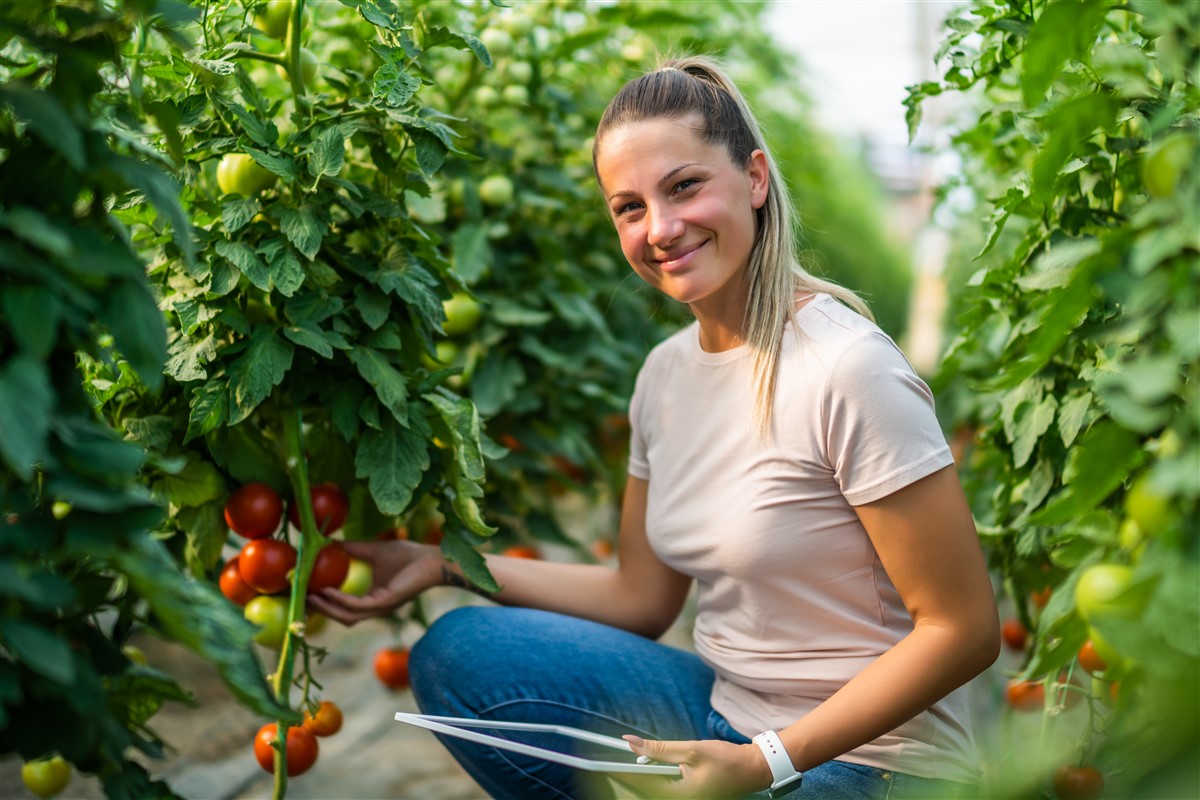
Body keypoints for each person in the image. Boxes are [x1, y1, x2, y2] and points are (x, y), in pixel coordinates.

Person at [310, 55, 1000, 800]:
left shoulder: (848, 367)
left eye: (684, 187)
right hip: (726, 715)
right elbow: (641, 597)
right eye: (629, 207)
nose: (660, 229)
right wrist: (446, 562)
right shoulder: (665, 377)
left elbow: (962, 630)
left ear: (756, 180)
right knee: (460, 653)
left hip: (873, 760)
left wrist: (769, 758)